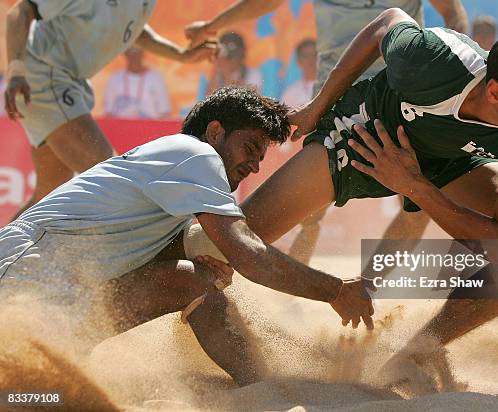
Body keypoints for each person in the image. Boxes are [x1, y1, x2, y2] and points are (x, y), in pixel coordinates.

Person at [185, 8, 498, 383]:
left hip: (447, 162)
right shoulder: (430, 61)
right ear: (497, 92)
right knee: (223, 246)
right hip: (365, 135)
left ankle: (419, 351)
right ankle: (186, 316)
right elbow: (386, 21)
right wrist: (319, 105)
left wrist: (415, 185)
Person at [0, 87, 374, 387]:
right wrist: (336, 291)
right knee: (27, 389)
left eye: (261, 157)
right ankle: (263, 387)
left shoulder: (180, 177)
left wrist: (201, 264)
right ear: (215, 132)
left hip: (65, 291)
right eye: (250, 147)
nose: (254, 165)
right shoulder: (195, 153)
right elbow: (249, 254)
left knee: (194, 280)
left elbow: (177, 254)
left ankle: (262, 388)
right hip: (24, 271)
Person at [185, 0, 469, 265]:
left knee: (417, 201)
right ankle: (281, 289)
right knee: (312, 208)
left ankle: (368, 288)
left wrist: (452, 76)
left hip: (398, 95)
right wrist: (212, 26)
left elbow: (452, 10)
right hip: (334, 94)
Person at [4, 0, 216, 221]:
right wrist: (16, 70)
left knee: (47, 195)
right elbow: (20, 12)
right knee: (114, 183)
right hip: (45, 75)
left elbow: (133, 28)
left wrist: (181, 55)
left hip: (67, 81)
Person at [104, 46, 172, 119]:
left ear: (143, 53)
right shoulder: (115, 79)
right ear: (125, 54)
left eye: (137, 51)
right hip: (120, 128)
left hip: (149, 128)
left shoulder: (155, 79)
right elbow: (108, 112)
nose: (134, 56)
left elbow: (165, 112)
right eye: (131, 52)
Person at [281, 39, 317, 108]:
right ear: (299, 62)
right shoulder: (290, 93)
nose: (311, 60)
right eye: (306, 56)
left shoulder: (331, 86)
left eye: (315, 55)